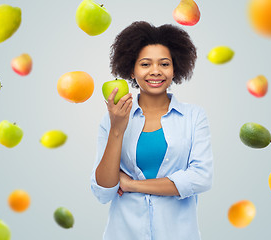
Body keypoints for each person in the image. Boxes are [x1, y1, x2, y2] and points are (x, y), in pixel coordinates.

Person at [91, 21, 214, 240]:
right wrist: (117, 129)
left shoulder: (194, 117)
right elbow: (103, 191)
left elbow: (201, 178)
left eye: (164, 64)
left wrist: (132, 185)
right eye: (145, 64)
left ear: (175, 68)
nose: (155, 71)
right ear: (132, 69)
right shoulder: (113, 119)